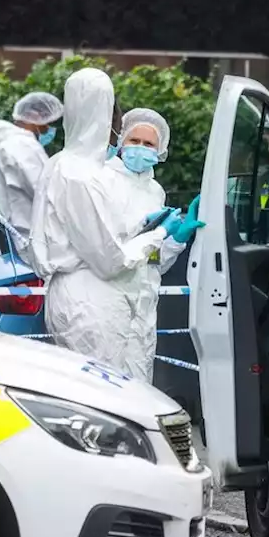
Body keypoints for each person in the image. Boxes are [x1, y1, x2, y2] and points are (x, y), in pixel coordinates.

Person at [32, 69, 168, 370]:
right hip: (92, 302)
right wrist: (157, 235)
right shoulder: (80, 174)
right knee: (106, 396)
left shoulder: (60, 164)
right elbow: (109, 260)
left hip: (76, 296)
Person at [91, 108, 204, 381]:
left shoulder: (155, 191)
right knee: (103, 386)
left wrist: (177, 239)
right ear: (120, 142)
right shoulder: (102, 180)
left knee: (139, 388)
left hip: (144, 308)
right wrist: (144, 229)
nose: (140, 149)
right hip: (109, 300)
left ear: (161, 149)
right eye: (134, 141)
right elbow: (106, 249)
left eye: (149, 143)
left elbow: (155, 263)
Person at [0, 91, 63, 238]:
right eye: (48, 123)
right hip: (24, 236)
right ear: (34, 117)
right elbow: (44, 192)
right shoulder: (24, 146)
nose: (50, 129)